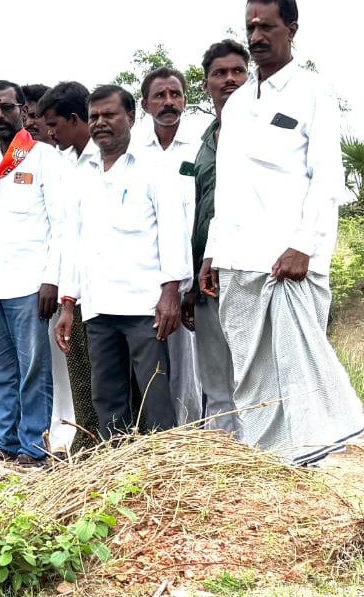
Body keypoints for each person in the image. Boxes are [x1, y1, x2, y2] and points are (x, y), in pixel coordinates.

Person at [201, 0, 363, 464]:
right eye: (250, 26)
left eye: (266, 26)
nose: (256, 36)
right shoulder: (234, 104)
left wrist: (303, 246)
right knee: (250, 376)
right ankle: (269, 464)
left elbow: (327, 177)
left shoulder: (313, 90)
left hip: (287, 263)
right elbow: (226, 189)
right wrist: (213, 253)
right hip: (237, 260)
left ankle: (312, 459)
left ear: (291, 28)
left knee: (299, 372)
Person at [56, 85, 191, 439]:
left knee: (154, 396)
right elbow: (75, 242)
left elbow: (173, 232)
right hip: (98, 306)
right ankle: (117, 474)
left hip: (145, 305)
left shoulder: (154, 168)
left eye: (109, 115)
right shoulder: (82, 173)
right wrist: (68, 303)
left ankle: (164, 469)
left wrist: (171, 291)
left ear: (130, 117)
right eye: (94, 117)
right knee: (108, 399)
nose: (100, 123)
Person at [0, 81, 74, 467]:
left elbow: (60, 224)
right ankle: (4, 442)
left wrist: (52, 280)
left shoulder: (45, 158)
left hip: (30, 285)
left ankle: (33, 445)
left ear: (22, 111)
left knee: (32, 371)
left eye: (5, 108)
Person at [185, 40, 249, 432]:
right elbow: (199, 213)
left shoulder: (262, 129)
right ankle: (222, 458)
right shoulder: (205, 141)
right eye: (220, 73)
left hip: (250, 268)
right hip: (206, 275)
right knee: (214, 373)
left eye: (237, 71)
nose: (229, 79)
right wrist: (192, 277)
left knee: (253, 372)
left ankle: (265, 456)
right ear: (206, 84)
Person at [137, 66, 205, 425]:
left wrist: (190, 280)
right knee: (153, 365)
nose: (168, 102)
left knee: (191, 364)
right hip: (147, 277)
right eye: (160, 96)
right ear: (145, 104)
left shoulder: (201, 146)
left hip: (194, 273)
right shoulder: (133, 150)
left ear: (185, 99)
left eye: (175, 94)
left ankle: (192, 435)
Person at [37, 81, 103, 449]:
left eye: (54, 124)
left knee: (105, 371)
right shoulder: (65, 163)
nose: (49, 133)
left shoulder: (104, 160)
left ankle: (109, 442)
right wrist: (64, 292)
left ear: (76, 119)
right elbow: (63, 232)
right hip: (73, 284)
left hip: (106, 285)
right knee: (78, 366)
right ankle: (87, 441)